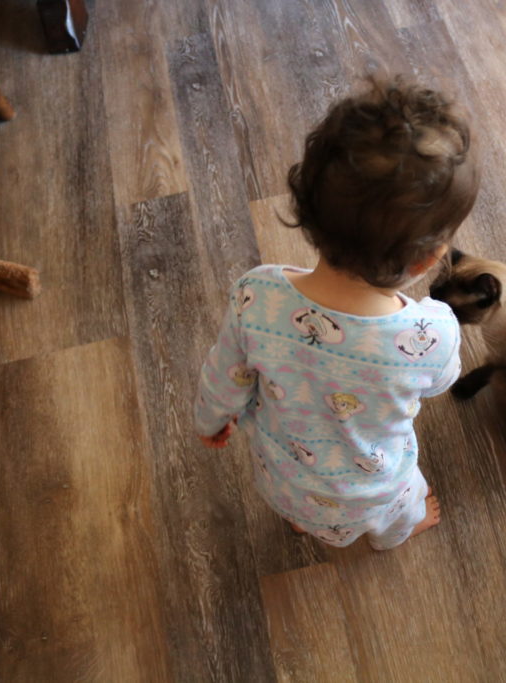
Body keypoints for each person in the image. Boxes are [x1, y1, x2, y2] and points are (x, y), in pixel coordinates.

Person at [195, 77, 479, 549]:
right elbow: (441, 382)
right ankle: (398, 532)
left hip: (283, 475)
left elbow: (223, 374)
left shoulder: (256, 294)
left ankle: (303, 522)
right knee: (403, 505)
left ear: (306, 206)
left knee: (302, 507)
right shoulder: (433, 332)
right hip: (374, 491)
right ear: (427, 260)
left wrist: (210, 420)